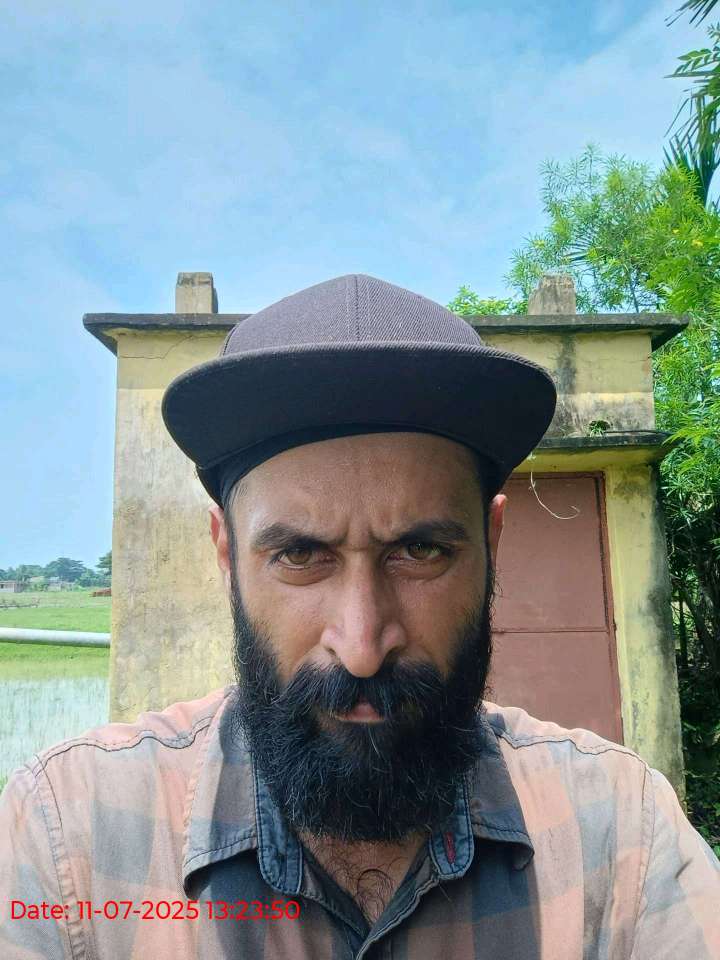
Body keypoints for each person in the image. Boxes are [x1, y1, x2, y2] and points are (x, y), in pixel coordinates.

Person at [1, 274, 718, 959]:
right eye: (300, 555)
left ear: (492, 542)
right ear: (226, 552)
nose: (363, 645)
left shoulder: (623, 836)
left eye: (420, 550)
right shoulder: (69, 839)